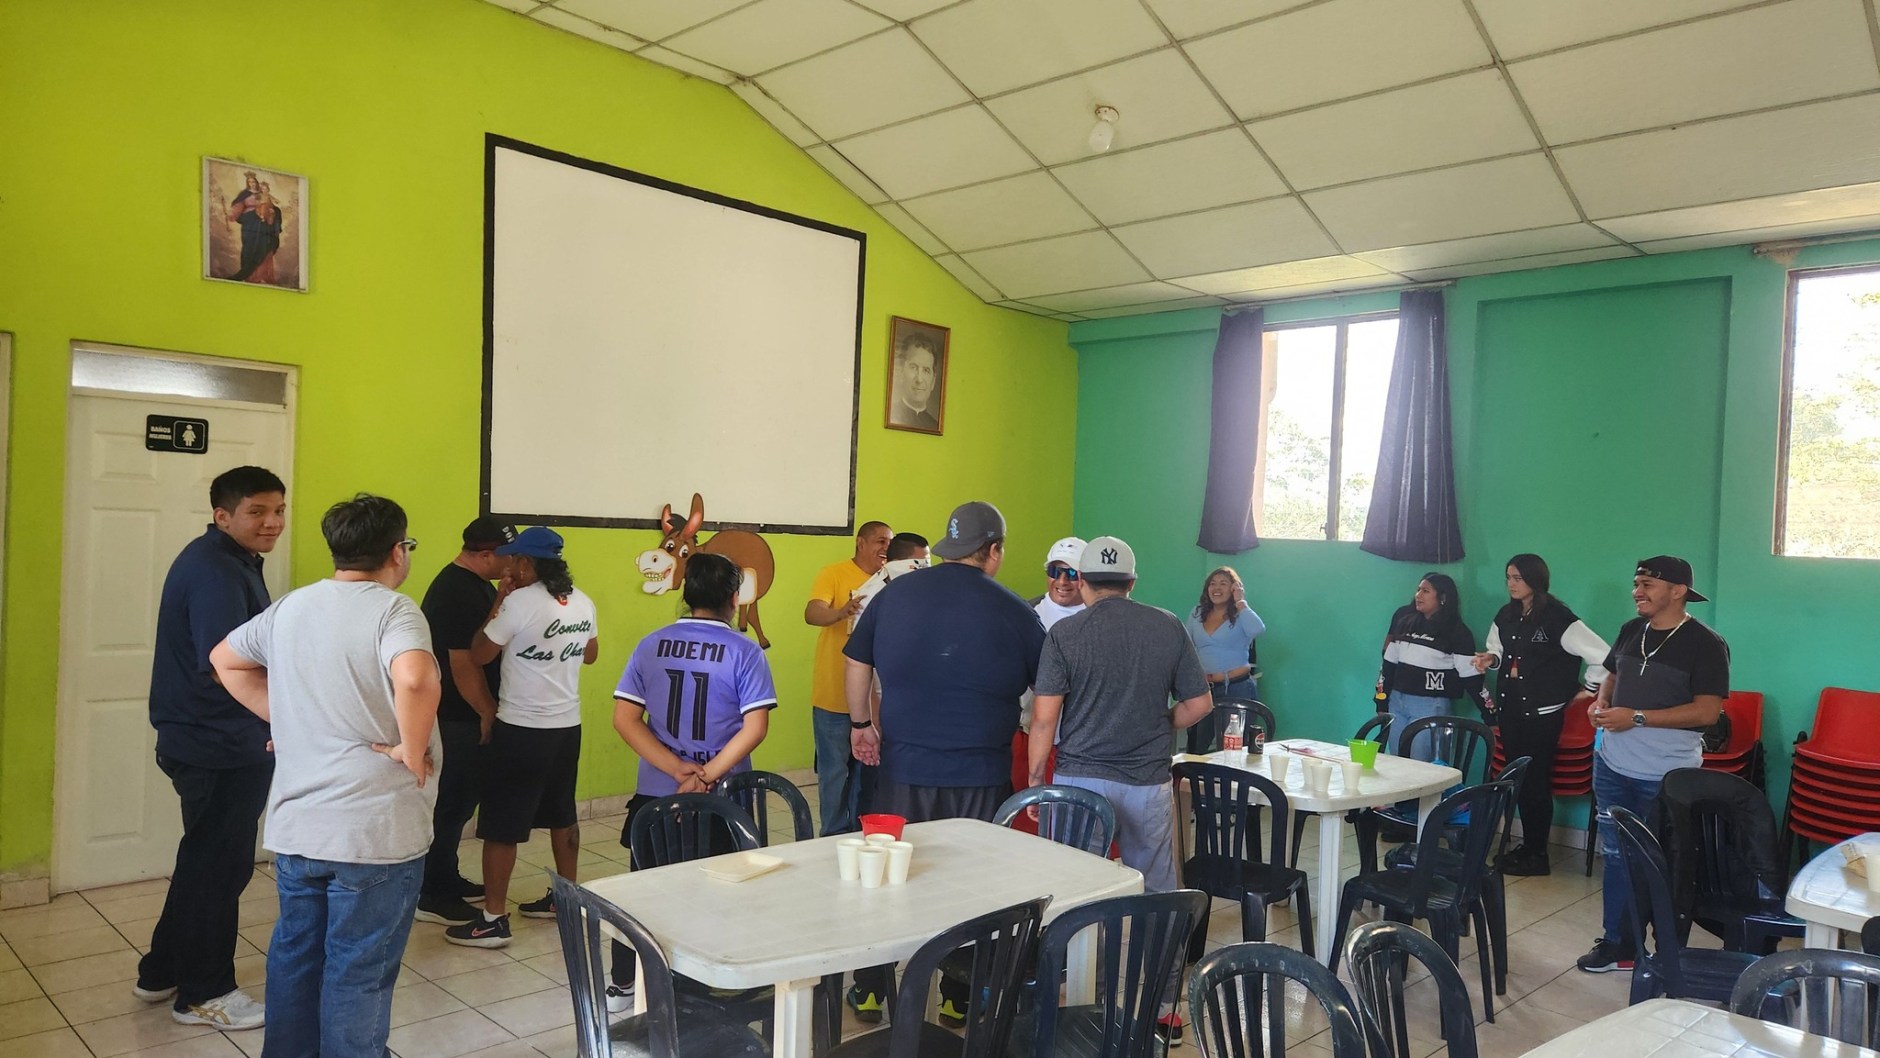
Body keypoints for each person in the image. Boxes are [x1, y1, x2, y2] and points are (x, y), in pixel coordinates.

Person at [209, 493, 441, 1058]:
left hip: (299, 827)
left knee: (296, 957)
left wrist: (287, 718)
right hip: (374, 830)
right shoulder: (394, 610)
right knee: (358, 969)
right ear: (397, 551)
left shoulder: (291, 607)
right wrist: (412, 750)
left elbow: (224, 659)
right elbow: (415, 678)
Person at [843, 500, 1045, 1023]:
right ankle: (958, 994)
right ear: (994, 550)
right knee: (972, 888)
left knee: (889, 880)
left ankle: (872, 988)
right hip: (981, 776)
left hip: (903, 771)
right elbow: (1045, 695)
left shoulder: (894, 595)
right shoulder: (1016, 611)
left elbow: (856, 661)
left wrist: (861, 725)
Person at [1029, 535, 1213, 1045]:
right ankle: (1163, 1007)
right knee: (1156, 891)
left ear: (1084, 583)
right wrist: (1159, 725)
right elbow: (1200, 704)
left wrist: (1038, 777)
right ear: (1132, 583)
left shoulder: (1066, 633)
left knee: (1070, 889)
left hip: (1078, 782)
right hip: (1146, 781)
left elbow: (1044, 718)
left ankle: (1072, 995)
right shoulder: (1167, 625)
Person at [135, 466, 285, 1030]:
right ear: (223, 516)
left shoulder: (230, 560)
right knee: (218, 869)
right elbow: (227, 666)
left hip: (213, 738)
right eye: (257, 512)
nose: (272, 522)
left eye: (279, 510)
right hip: (216, 742)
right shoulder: (216, 571)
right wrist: (287, 717)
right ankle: (204, 993)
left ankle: (161, 971)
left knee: (204, 861)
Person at [602, 553, 778, 1011]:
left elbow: (625, 718)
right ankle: (702, 984)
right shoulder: (744, 650)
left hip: (657, 792)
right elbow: (755, 727)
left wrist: (676, 769)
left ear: (687, 594)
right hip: (722, 796)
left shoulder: (651, 643)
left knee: (644, 887)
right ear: (734, 598)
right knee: (716, 890)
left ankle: (625, 983)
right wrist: (707, 775)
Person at [445, 527, 599, 948]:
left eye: (514, 559)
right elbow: (590, 653)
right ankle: (566, 900)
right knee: (563, 816)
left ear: (527, 563)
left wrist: (498, 604)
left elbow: (479, 654)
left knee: (502, 826)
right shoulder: (582, 601)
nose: (508, 566)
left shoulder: (517, 603)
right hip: (566, 727)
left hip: (521, 729)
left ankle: (493, 920)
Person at [1577, 556, 1728, 975]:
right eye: (1636, 583)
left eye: (1647, 584)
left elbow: (1708, 712)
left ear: (1678, 591)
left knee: (1663, 863)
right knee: (1616, 856)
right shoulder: (1631, 630)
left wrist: (1638, 717)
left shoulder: (1705, 643)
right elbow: (1612, 674)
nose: (1637, 591)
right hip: (1612, 764)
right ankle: (1619, 944)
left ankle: (1667, 952)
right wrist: (1601, 703)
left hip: (1666, 775)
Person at [1470, 554, 1610, 876]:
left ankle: (1537, 854)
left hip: (1542, 714)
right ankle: (1529, 846)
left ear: (1536, 579)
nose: (1511, 584)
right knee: (1519, 778)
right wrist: (1490, 660)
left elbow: (1604, 656)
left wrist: (1588, 689)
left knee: (1535, 781)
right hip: (1511, 708)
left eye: (1518, 578)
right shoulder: (1506, 615)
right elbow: (1499, 650)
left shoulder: (1559, 618)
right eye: (1509, 577)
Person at [412, 517, 516, 926]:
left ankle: (446, 876)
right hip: (456, 716)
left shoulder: (475, 584)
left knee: (459, 804)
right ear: (487, 555)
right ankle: (431, 893)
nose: (512, 564)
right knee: (449, 804)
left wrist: (501, 597)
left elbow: (482, 632)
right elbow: (462, 664)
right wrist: (487, 711)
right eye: (508, 557)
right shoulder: (454, 591)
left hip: (464, 715)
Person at [803, 520, 892, 836]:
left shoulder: (891, 580)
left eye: (890, 542)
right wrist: (840, 612)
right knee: (833, 774)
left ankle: (859, 833)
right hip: (833, 698)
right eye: (880, 541)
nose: (886, 548)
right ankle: (832, 836)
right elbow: (812, 612)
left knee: (866, 775)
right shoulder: (834, 573)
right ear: (861, 543)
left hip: (875, 702)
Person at [1374, 572, 1490, 760]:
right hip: (1397, 702)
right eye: (1418, 590)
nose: (1418, 595)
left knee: (1423, 767)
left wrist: (1489, 714)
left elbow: (1472, 678)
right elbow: (1388, 666)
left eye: (1426, 591)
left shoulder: (1457, 632)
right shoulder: (1405, 623)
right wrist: (1381, 699)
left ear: (1442, 597)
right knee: (1397, 762)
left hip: (1430, 706)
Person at [1012, 537, 1087, 809]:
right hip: (1029, 737)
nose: (1062, 581)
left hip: (1080, 747)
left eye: (1071, 573)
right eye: (1055, 571)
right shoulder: (1025, 614)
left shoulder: (1098, 619)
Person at [1183, 566, 1266, 754]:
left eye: (1223, 583)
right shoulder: (1197, 612)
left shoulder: (1241, 613)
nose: (1217, 588)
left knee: (1234, 750)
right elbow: (1186, 645)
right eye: (1212, 584)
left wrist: (1240, 601)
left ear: (1234, 588)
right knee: (1195, 748)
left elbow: (1257, 629)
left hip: (1237, 688)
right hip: (1204, 690)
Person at [887, 331, 941, 430]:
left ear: (933, 381)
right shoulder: (888, 414)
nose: (919, 379)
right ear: (901, 371)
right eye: (913, 367)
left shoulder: (935, 426)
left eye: (926, 370)